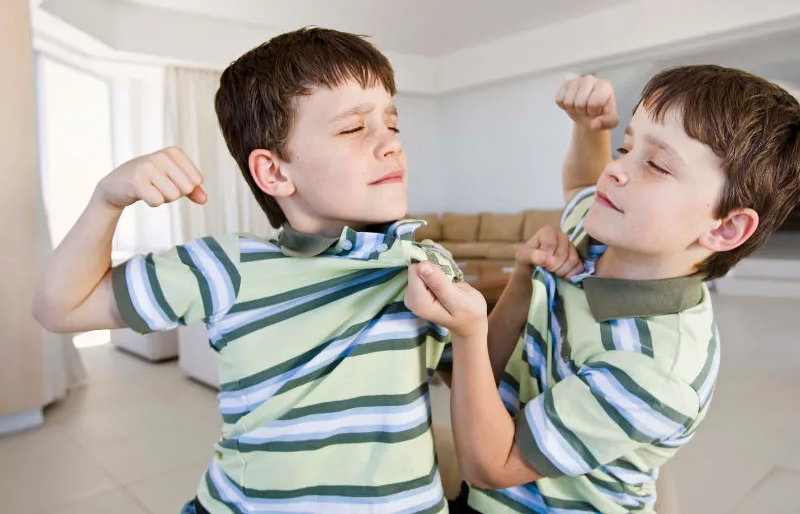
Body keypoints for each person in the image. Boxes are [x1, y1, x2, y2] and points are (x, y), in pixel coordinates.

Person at [34, 27, 464, 514]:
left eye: (392, 124)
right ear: (275, 173)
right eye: (353, 128)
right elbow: (58, 308)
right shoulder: (227, 266)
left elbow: (489, 402)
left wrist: (476, 326)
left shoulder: (426, 269)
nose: (391, 145)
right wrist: (105, 201)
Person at [406, 68, 800, 513]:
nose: (614, 170)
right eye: (626, 147)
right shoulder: (593, 234)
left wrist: (469, 332)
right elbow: (580, 183)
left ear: (726, 227)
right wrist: (589, 127)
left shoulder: (653, 370)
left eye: (656, 164)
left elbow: (492, 465)